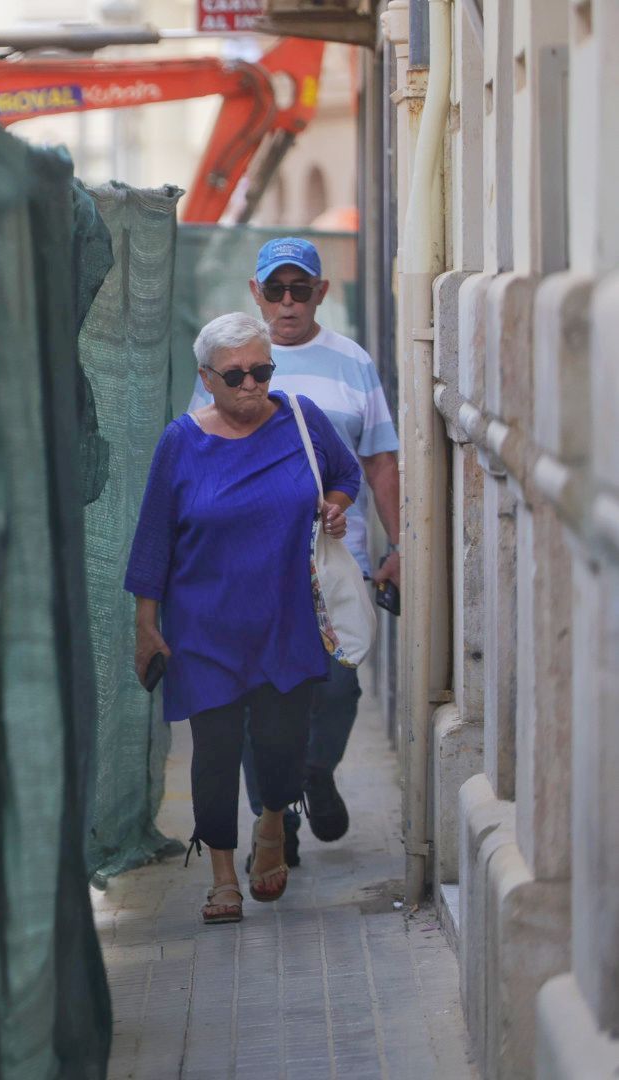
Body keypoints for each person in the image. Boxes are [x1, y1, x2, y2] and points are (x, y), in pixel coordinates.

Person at [128, 313, 360, 924]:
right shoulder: (181, 442)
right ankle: (223, 877)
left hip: (286, 618)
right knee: (215, 749)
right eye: (236, 376)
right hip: (204, 626)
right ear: (207, 378)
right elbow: (153, 538)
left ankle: (273, 822)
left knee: (283, 743)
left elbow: (345, 475)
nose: (252, 385)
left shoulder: (301, 419)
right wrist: (146, 625)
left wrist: (334, 509)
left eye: (262, 370)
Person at [187, 237, 401, 861]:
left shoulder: (353, 362)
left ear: (320, 293)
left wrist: (402, 545)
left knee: (336, 688)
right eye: (275, 289)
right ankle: (272, 827)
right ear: (255, 292)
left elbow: (379, 462)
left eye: (299, 289)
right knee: (258, 701)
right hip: (249, 569)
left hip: (334, 564)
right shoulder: (228, 359)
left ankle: (313, 771)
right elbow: (200, 454)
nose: (287, 302)